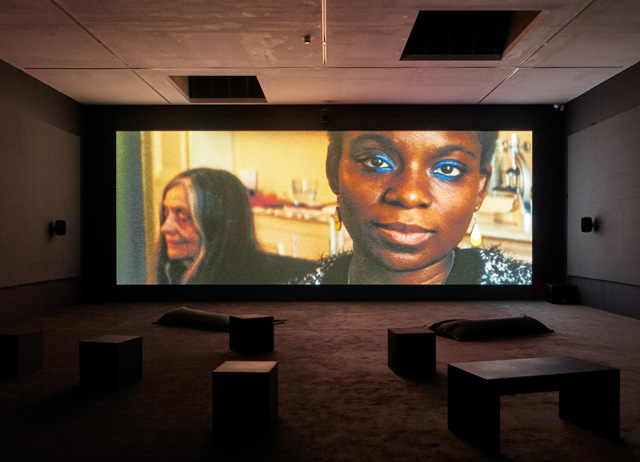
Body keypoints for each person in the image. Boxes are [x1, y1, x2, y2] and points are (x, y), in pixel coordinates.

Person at [294, 130, 531, 285]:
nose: (409, 195)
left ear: (480, 188)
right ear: (333, 170)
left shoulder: (521, 287)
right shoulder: (295, 305)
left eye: (448, 169)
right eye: (376, 162)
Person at [152, 168, 318, 284]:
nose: (166, 227)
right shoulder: (173, 274)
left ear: (218, 225)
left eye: (183, 217)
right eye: (166, 214)